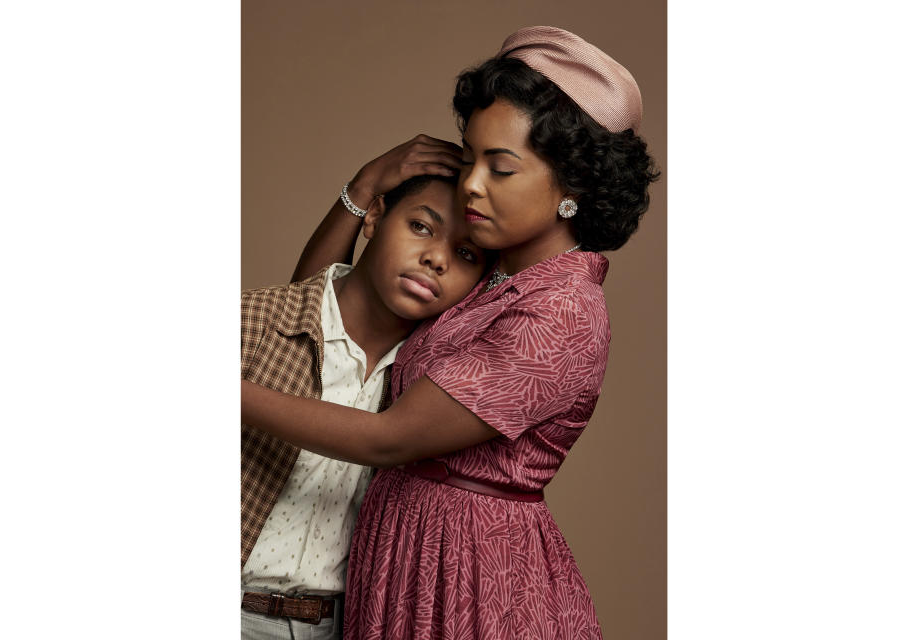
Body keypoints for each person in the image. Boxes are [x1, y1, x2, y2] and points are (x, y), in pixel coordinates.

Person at [241, 26, 659, 639]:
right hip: (405, 563)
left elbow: (388, 439)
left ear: (573, 188)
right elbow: (316, 326)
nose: (472, 184)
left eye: (501, 168)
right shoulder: (491, 277)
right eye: (469, 158)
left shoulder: (560, 313)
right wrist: (362, 191)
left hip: (467, 581)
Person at [240, 172, 487, 640]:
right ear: (374, 216)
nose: (436, 258)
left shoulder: (427, 390)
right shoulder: (253, 324)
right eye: (421, 227)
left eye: (466, 254)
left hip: (342, 624)